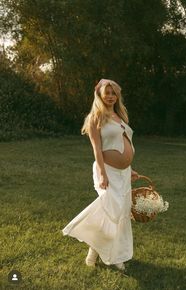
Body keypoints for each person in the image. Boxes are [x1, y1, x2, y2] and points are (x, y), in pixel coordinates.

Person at [62, 78, 139, 271]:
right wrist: (103, 174)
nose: (111, 96)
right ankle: (111, 256)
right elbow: (97, 149)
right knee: (110, 211)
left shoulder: (120, 117)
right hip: (107, 171)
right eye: (108, 92)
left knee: (120, 212)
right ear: (100, 94)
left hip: (123, 172)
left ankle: (103, 254)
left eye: (114, 93)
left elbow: (124, 143)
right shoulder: (96, 117)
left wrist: (130, 168)